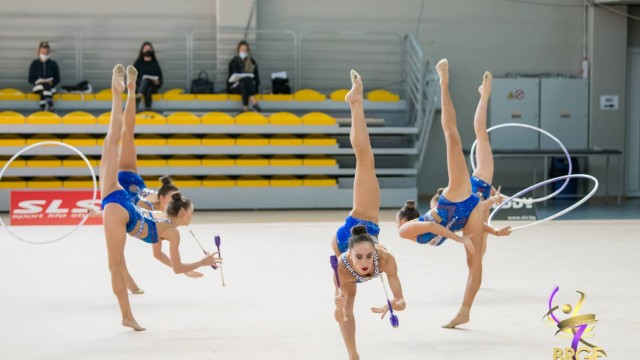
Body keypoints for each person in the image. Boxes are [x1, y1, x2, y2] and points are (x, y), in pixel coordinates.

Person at [100, 64, 220, 331]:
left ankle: (119, 93)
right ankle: (126, 315)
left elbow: (166, 259)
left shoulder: (162, 217)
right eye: (192, 212)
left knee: (112, 141)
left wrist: (189, 266)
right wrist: (201, 262)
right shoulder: (170, 229)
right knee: (114, 266)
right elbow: (175, 266)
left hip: (121, 203)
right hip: (120, 207)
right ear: (182, 213)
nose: (192, 217)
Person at [396, 61, 511, 329]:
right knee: (475, 263)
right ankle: (464, 311)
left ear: (402, 221)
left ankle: (444, 81)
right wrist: (493, 232)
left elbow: (434, 225)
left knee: (453, 139)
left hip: (456, 198)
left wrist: (460, 240)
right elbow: (451, 228)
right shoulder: (420, 238)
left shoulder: (406, 231)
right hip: (470, 210)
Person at [331, 70, 406, 360]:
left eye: (367, 257)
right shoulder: (344, 265)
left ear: (375, 252)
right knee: (367, 159)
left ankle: (355, 102)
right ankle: (353, 355)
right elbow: (342, 315)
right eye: (360, 258)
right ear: (352, 256)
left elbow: (400, 299)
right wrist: (338, 309)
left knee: (365, 159)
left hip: (356, 230)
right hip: (352, 231)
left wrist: (395, 304)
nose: (364, 263)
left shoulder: (384, 259)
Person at [227, 40, 262, 113]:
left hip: (249, 87)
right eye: (242, 50)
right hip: (236, 87)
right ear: (238, 50)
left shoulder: (251, 61)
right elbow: (230, 79)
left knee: (245, 81)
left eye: (246, 50)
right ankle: (253, 101)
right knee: (244, 80)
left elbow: (256, 79)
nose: (244, 51)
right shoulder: (233, 62)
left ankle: (245, 109)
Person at [28, 41, 60, 111]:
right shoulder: (34, 64)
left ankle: (42, 107)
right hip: (37, 88)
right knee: (44, 86)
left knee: (45, 87)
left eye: (46, 53)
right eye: (43, 53)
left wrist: (52, 82)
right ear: (39, 51)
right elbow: (30, 79)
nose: (44, 54)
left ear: (49, 52)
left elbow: (57, 79)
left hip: (51, 88)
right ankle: (50, 104)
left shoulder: (53, 64)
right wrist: (38, 81)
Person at [133, 42, 163, 111]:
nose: (147, 50)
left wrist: (157, 82)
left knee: (148, 84)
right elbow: (133, 79)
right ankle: (148, 108)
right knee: (147, 85)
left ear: (152, 50)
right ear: (142, 50)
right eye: (145, 49)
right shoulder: (137, 64)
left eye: (149, 49)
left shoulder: (155, 65)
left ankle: (138, 98)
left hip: (153, 88)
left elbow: (160, 80)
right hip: (139, 86)